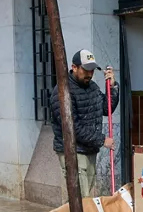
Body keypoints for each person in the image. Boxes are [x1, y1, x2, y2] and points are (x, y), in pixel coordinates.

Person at [49, 48, 117, 197]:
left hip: (89, 149)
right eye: (86, 70)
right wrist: (102, 140)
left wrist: (112, 88)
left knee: (84, 198)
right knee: (78, 199)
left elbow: (106, 108)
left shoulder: (92, 87)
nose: (90, 74)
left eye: (92, 70)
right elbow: (72, 127)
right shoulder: (62, 91)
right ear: (74, 67)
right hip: (73, 151)